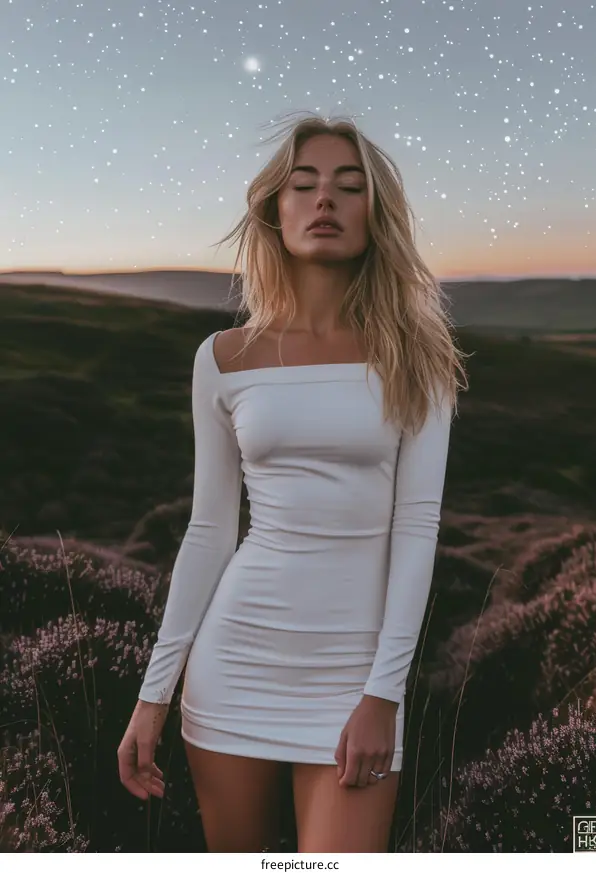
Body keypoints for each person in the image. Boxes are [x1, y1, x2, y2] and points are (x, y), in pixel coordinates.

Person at [117, 111, 469, 853]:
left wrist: (384, 692)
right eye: (303, 184)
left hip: (356, 677)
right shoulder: (223, 357)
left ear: (377, 214)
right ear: (274, 209)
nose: (324, 202)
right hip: (233, 664)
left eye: (349, 187)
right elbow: (210, 530)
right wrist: (154, 694)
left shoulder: (418, 357)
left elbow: (417, 528)